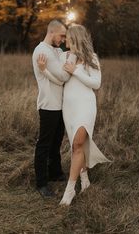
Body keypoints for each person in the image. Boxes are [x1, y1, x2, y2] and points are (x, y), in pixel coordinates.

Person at [38, 24, 112, 205]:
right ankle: (84, 177)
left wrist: (76, 71)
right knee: (76, 147)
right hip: (68, 108)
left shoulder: (91, 58)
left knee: (79, 143)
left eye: (68, 37)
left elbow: (96, 84)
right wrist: (44, 70)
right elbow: (61, 80)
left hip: (85, 106)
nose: (65, 41)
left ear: (76, 38)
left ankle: (69, 190)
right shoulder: (65, 56)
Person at [32, 19, 76, 198]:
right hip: (49, 104)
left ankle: (55, 173)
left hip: (60, 104)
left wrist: (51, 72)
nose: (63, 40)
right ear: (52, 32)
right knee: (44, 144)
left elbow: (62, 76)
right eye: (61, 36)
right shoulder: (42, 51)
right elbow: (63, 77)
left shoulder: (57, 50)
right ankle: (41, 183)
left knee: (56, 142)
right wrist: (55, 73)